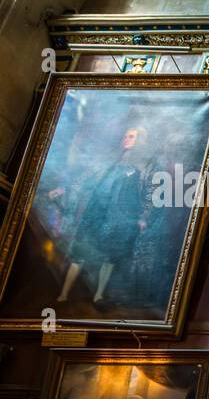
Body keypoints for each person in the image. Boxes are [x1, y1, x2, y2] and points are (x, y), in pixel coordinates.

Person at [56, 124, 153, 308]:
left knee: (110, 257)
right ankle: (63, 294)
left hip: (119, 217)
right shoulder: (111, 159)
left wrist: (142, 217)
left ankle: (98, 296)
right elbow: (88, 177)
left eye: (131, 136)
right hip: (96, 211)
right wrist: (66, 188)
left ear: (140, 141)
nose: (126, 139)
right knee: (80, 253)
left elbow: (144, 194)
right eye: (126, 135)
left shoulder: (143, 166)